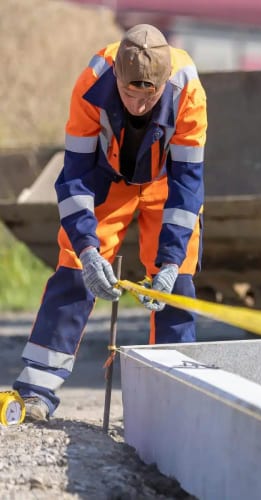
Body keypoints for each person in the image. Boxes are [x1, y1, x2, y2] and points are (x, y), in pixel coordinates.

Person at [13, 24, 207, 422]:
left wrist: (170, 261)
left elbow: (188, 184)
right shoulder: (91, 83)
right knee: (73, 273)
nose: (137, 106)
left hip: (163, 181)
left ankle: (172, 407)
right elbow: (75, 177)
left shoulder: (188, 90)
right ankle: (36, 392)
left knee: (179, 285)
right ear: (116, 77)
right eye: (128, 95)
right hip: (107, 179)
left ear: (164, 82)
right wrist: (86, 248)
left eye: (147, 97)